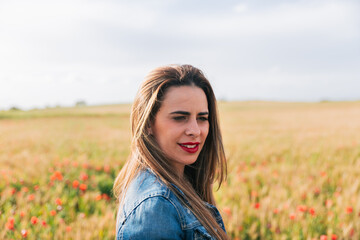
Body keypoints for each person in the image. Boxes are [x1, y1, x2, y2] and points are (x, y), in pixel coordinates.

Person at [113, 64, 228, 240]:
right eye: (180, 118)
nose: (195, 130)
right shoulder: (155, 206)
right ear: (149, 123)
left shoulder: (181, 182)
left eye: (202, 118)